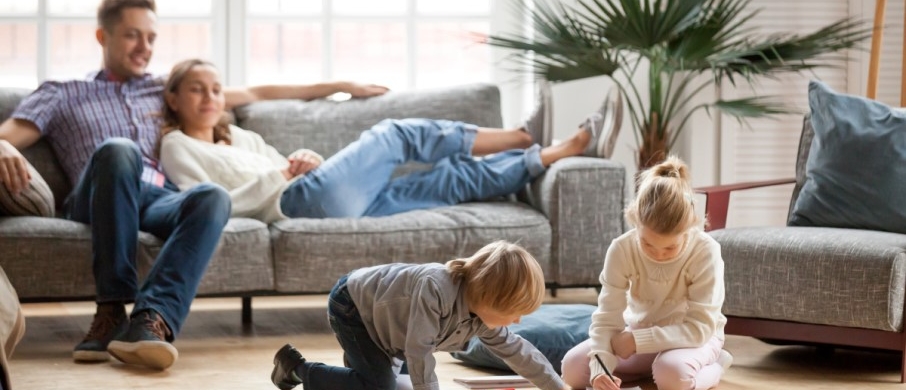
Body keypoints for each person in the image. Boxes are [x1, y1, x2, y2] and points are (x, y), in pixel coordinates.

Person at [0, 0, 386, 370]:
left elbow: (257, 93)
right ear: (103, 37)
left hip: (155, 197)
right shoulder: (63, 91)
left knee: (211, 197)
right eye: (133, 36)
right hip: (98, 195)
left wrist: (340, 84)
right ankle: (111, 310)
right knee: (120, 150)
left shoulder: (162, 88)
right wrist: (2, 145)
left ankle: (152, 321)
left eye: (151, 38)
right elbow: (8, 134)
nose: (145, 48)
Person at [157, 59, 609, 222]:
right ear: (174, 99)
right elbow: (204, 204)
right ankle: (521, 134)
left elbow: (285, 161)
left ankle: (553, 151)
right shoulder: (177, 146)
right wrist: (281, 175)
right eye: (197, 89)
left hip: (319, 194)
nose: (210, 97)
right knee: (395, 134)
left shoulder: (238, 135)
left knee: (449, 181)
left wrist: (304, 158)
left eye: (216, 89)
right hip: (297, 203)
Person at [268, 240, 569, 390]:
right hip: (355, 306)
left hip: (388, 326)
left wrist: (558, 387)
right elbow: (419, 352)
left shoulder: (483, 317)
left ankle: (360, 376)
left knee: (391, 384)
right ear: (489, 298)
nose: (516, 321)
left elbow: (519, 352)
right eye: (513, 312)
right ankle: (296, 368)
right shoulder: (435, 287)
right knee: (381, 386)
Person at [560, 156, 733, 390]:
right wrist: (601, 369)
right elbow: (607, 317)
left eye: (671, 247)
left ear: (690, 227)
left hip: (697, 338)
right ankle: (650, 371)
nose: (659, 255)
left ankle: (716, 365)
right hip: (639, 338)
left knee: (671, 376)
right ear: (635, 221)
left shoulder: (706, 251)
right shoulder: (621, 248)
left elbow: (699, 328)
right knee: (572, 369)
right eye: (648, 244)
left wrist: (636, 340)